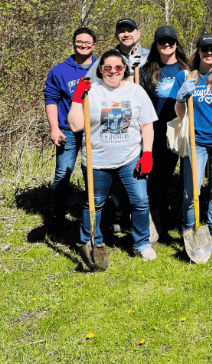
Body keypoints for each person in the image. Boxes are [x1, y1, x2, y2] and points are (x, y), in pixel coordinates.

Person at [67, 49, 158, 261]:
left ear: (124, 68)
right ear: (100, 69)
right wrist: (77, 97)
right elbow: (75, 125)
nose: (113, 71)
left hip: (130, 157)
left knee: (141, 201)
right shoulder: (91, 91)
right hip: (97, 160)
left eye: (118, 67)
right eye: (107, 68)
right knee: (94, 203)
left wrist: (147, 154)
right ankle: (90, 241)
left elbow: (147, 126)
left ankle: (142, 243)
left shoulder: (136, 91)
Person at [172, 34, 212, 252]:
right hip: (196, 141)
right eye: (205, 49)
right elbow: (181, 115)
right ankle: (190, 229)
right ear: (198, 51)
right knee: (192, 191)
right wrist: (181, 97)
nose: (209, 53)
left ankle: (211, 230)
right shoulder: (187, 77)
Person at [44, 27, 99, 232]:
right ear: (73, 43)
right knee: (62, 173)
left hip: (94, 130)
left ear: (94, 45)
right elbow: (51, 99)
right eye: (79, 42)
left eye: (87, 43)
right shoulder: (59, 70)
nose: (83, 46)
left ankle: (91, 216)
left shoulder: (102, 67)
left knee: (93, 174)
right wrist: (54, 128)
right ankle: (58, 217)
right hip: (67, 130)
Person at [139, 26, 189, 238]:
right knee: (160, 179)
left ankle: (185, 219)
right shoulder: (146, 71)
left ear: (176, 44)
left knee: (188, 178)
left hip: (184, 130)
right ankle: (157, 219)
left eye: (171, 42)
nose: (166, 45)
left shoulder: (187, 70)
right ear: (156, 45)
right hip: (159, 131)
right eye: (162, 42)